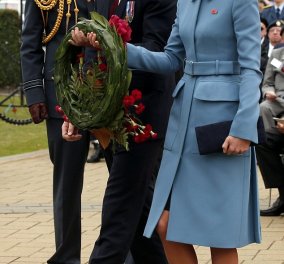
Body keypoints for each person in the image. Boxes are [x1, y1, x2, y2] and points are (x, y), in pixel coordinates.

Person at [85, 0, 263, 262]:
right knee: (166, 226)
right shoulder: (185, 3)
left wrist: (244, 128)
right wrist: (118, 49)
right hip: (184, 119)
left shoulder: (240, 2)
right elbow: (169, 59)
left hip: (222, 126)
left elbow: (251, 68)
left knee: (220, 236)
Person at [63, 0, 177, 263]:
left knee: (119, 209)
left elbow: (158, 51)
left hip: (143, 115)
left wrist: (108, 44)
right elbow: (89, 59)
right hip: (110, 118)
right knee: (138, 218)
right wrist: (79, 111)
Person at [20, 1, 95, 263]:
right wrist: (34, 92)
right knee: (67, 183)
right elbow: (30, 42)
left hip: (107, 85)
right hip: (60, 93)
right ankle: (66, 257)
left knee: (124, 178)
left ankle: (128, 253)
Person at [256, 46, 284, 216]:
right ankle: (283, 195)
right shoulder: (276, 54)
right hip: (278, 100)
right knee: (262, 140)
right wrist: (269, 92)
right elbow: (267, 83)